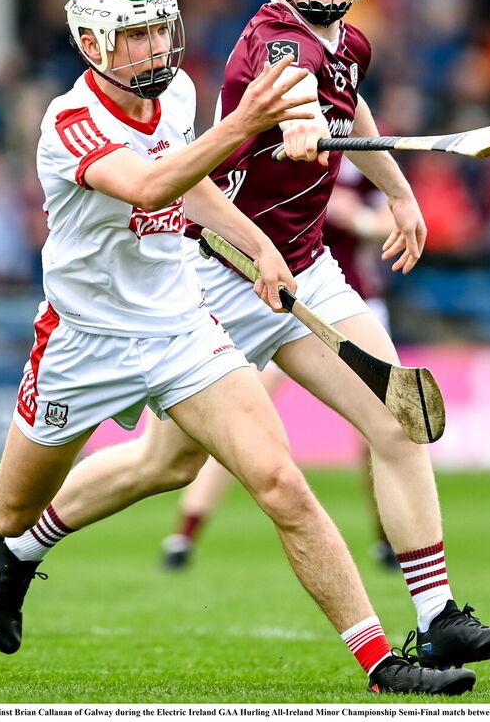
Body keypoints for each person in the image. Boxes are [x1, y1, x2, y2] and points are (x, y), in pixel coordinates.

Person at [0, 0, 475, 697]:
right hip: (83, 344)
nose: (156, 49)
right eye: (135, 36)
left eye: (161, 30)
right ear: (90, 42)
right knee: (8, 506)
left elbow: (194, 186)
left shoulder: (178, 94)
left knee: (280, 483)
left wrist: (260, 248)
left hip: (181, 328)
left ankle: (381, 664)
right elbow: (152, 185)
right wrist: (245, 124)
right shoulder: (70, 123)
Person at [0, 0, 490, 671]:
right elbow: (293, 89)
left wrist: (399, 191)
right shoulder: (273, 42)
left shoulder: (347, 43)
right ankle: (22, 545)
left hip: (303, 266)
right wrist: (297, 123)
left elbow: (346, 98)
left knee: (396, 417)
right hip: (218, 274)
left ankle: (437, 614)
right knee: (164, 466)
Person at [159, 168, 400, 572]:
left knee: (377, 428)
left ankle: (389, 539)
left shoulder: (355, 157)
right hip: (265, 299)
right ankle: (184, 535)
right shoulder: (266, 144)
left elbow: (390, 219)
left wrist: (354, 217)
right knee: (238, 422)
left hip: (340, 299)